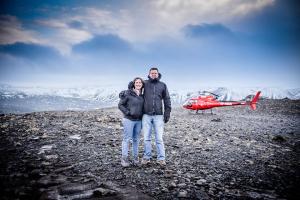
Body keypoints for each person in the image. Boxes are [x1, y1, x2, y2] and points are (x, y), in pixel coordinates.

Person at [142, 67, 171, 166]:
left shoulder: (162, 85)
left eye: (155, 73)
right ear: (149, 74)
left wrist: (167, 113)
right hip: (146, 115)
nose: (154, 74)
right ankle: (147, 157)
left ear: (158, 74)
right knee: (146, 138)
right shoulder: (145, 84)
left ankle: (161, 158)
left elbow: (167, 99)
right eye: (152, 73)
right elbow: (135, 88)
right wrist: (128, 88)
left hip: (158, 116)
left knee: (159, 138)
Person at [118, 77, 144, 167]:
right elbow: (120, 105)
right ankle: (124, 159)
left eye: (140, 82)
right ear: (134, 84)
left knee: (136, 140)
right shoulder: (128, 93)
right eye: (136, 82)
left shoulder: (142, 95)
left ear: (142, 84)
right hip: (129, 120)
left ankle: (135, 158)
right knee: (127, 139)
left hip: (139, 121)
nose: (138, 84)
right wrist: (128, 112)